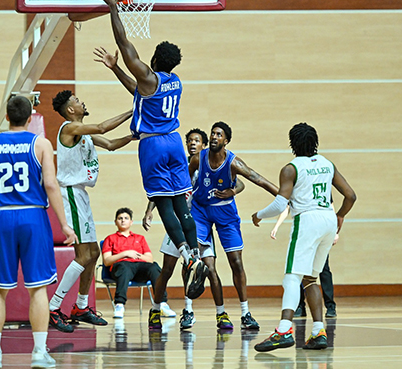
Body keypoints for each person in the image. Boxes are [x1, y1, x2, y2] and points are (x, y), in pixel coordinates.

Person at [96, 0, 209, 327]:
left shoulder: (150, 76)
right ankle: (196, 252)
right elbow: (138, 90)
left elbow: (125, 45)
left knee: (163, 206)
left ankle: (187, 257)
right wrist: (115, 69)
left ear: (155, 60)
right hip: (174, 141)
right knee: (181, 203)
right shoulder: (174, 82)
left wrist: (113, 7)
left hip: (154, 145)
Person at [0, 95, 77, 369]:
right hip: (33, 216)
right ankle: (39, 352)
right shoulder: (41, 144)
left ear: (6, 117)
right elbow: (50, 184)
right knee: (38, 289)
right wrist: (63, 223)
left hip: (1, 217)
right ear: (29, 117)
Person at [252, 122, 356, 352]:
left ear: (292, 143)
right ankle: (318, 332)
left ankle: (283, 330)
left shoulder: (291, 168)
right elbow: (350, 196)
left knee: (291, 277)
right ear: (315, 142)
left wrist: (258, 215)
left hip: (308, 221)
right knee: (310, 278)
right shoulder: (327, 164)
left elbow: (280, 204)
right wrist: (340, 215)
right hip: (328, 220)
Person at [48, 90, 133, 332]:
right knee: (83, 255)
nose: (81, 102)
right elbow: (103, 128)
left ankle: (81, 307)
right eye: (76, 101)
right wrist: (132, 111)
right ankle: (53, 307)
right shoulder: (69, 128)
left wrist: (136, 135)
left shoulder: (83, 134)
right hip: (70, 193)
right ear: (70, 110)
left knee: (94, 252)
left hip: (81, 194)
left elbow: (111, 144)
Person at [143, 128, 245, 331]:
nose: (192, 143)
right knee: (168, 269)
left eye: (197, 141)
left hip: (200, 223)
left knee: (210, 268)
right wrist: (149, 210)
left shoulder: (209, 164)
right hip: (177, 224)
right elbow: (161, 191)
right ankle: (157, 310)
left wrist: (232, 191)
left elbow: (239, 181)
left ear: (204, 145)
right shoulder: (179, 164)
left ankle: (221, 313)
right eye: (189, 140)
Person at [188, 122, 280, 331]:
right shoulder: (198, 159)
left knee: (236, 262)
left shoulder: (233, 162)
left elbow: (257, 178)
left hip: (225, 213)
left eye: (219, 134)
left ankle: (245, 313)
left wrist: (283, 197)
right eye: (212, 133)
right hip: (201, 211)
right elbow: (183, 181)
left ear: (226, 141)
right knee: (199, 259)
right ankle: (196, 306)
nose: (214, 137)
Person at [102, 207, 175, 319]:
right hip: (121, 266)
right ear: (115, 222)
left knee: (154, 267)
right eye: (120, 218)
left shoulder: (140, 238)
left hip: (139, 267)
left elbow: (149, 259)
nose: (123, 220)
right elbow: (107, 261)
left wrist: (135, 254)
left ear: (131, 222)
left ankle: (162, 304)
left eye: (126, 218)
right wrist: (125, 254)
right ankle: (120, 305)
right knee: (124, 267)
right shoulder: (110, 238)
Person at [272, 209, 338, 318]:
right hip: (307, 233)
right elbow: (285, 207)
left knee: (323, 270)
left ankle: (330, 306)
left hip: (321, 231)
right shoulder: (299, 198)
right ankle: (300, 306)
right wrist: (276, 226)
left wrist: (335, 231)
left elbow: (331, 207)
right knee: (299, 271)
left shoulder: (324, 198)